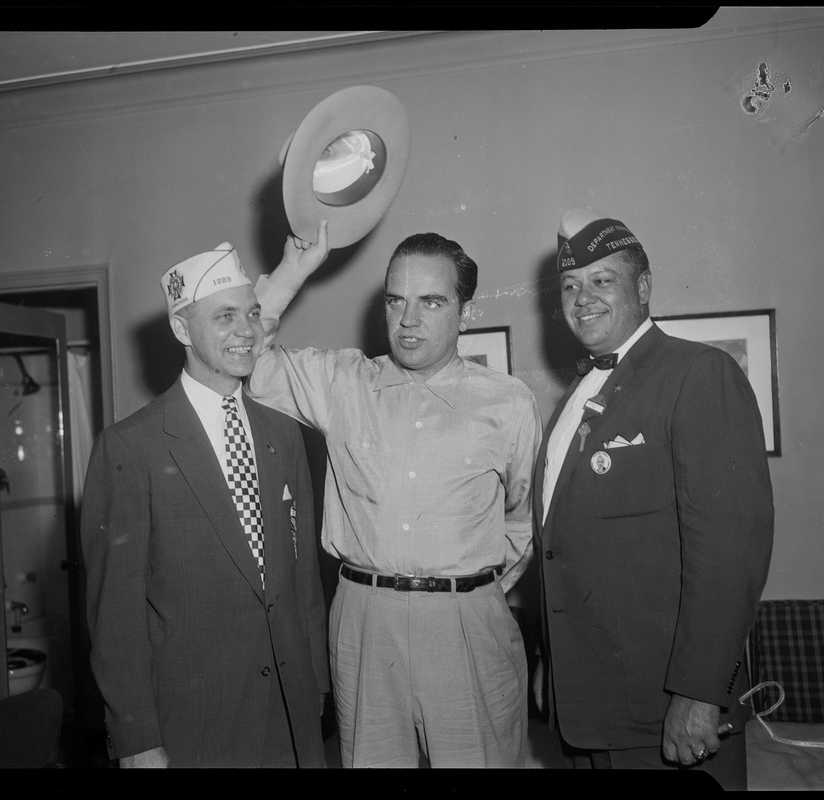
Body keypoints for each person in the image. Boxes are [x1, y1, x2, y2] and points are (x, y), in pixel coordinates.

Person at [247, 221, 542, 768]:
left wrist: (471, 593)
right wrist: (292, 271)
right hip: (365, 619)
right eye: (396, 301)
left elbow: (522, 522)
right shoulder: (342, 383)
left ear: (466, 311)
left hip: (467, 623)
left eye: (431, 301)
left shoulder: (508, 403)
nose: (408, 320)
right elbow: (245, 357)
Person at [534, 208, 774, 788]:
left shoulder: (699, 373)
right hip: (586, 706)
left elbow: (729, 552)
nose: (582, 297)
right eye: (570, 285)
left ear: (643, 288)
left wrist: (700, 694)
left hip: (663, 713)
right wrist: (552, 665)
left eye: (602, 280)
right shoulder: (576, 394)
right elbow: (564, 548)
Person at [80, 242, 329, 768]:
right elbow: (115, 618)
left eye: (254, 314)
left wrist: (317, 688)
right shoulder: (130, 447)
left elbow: (302, 579)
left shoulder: (284, 432)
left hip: (292, 717)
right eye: (225, 317)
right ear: (180, 329)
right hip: (192, 728)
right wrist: (137, 740)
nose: (247, 331)